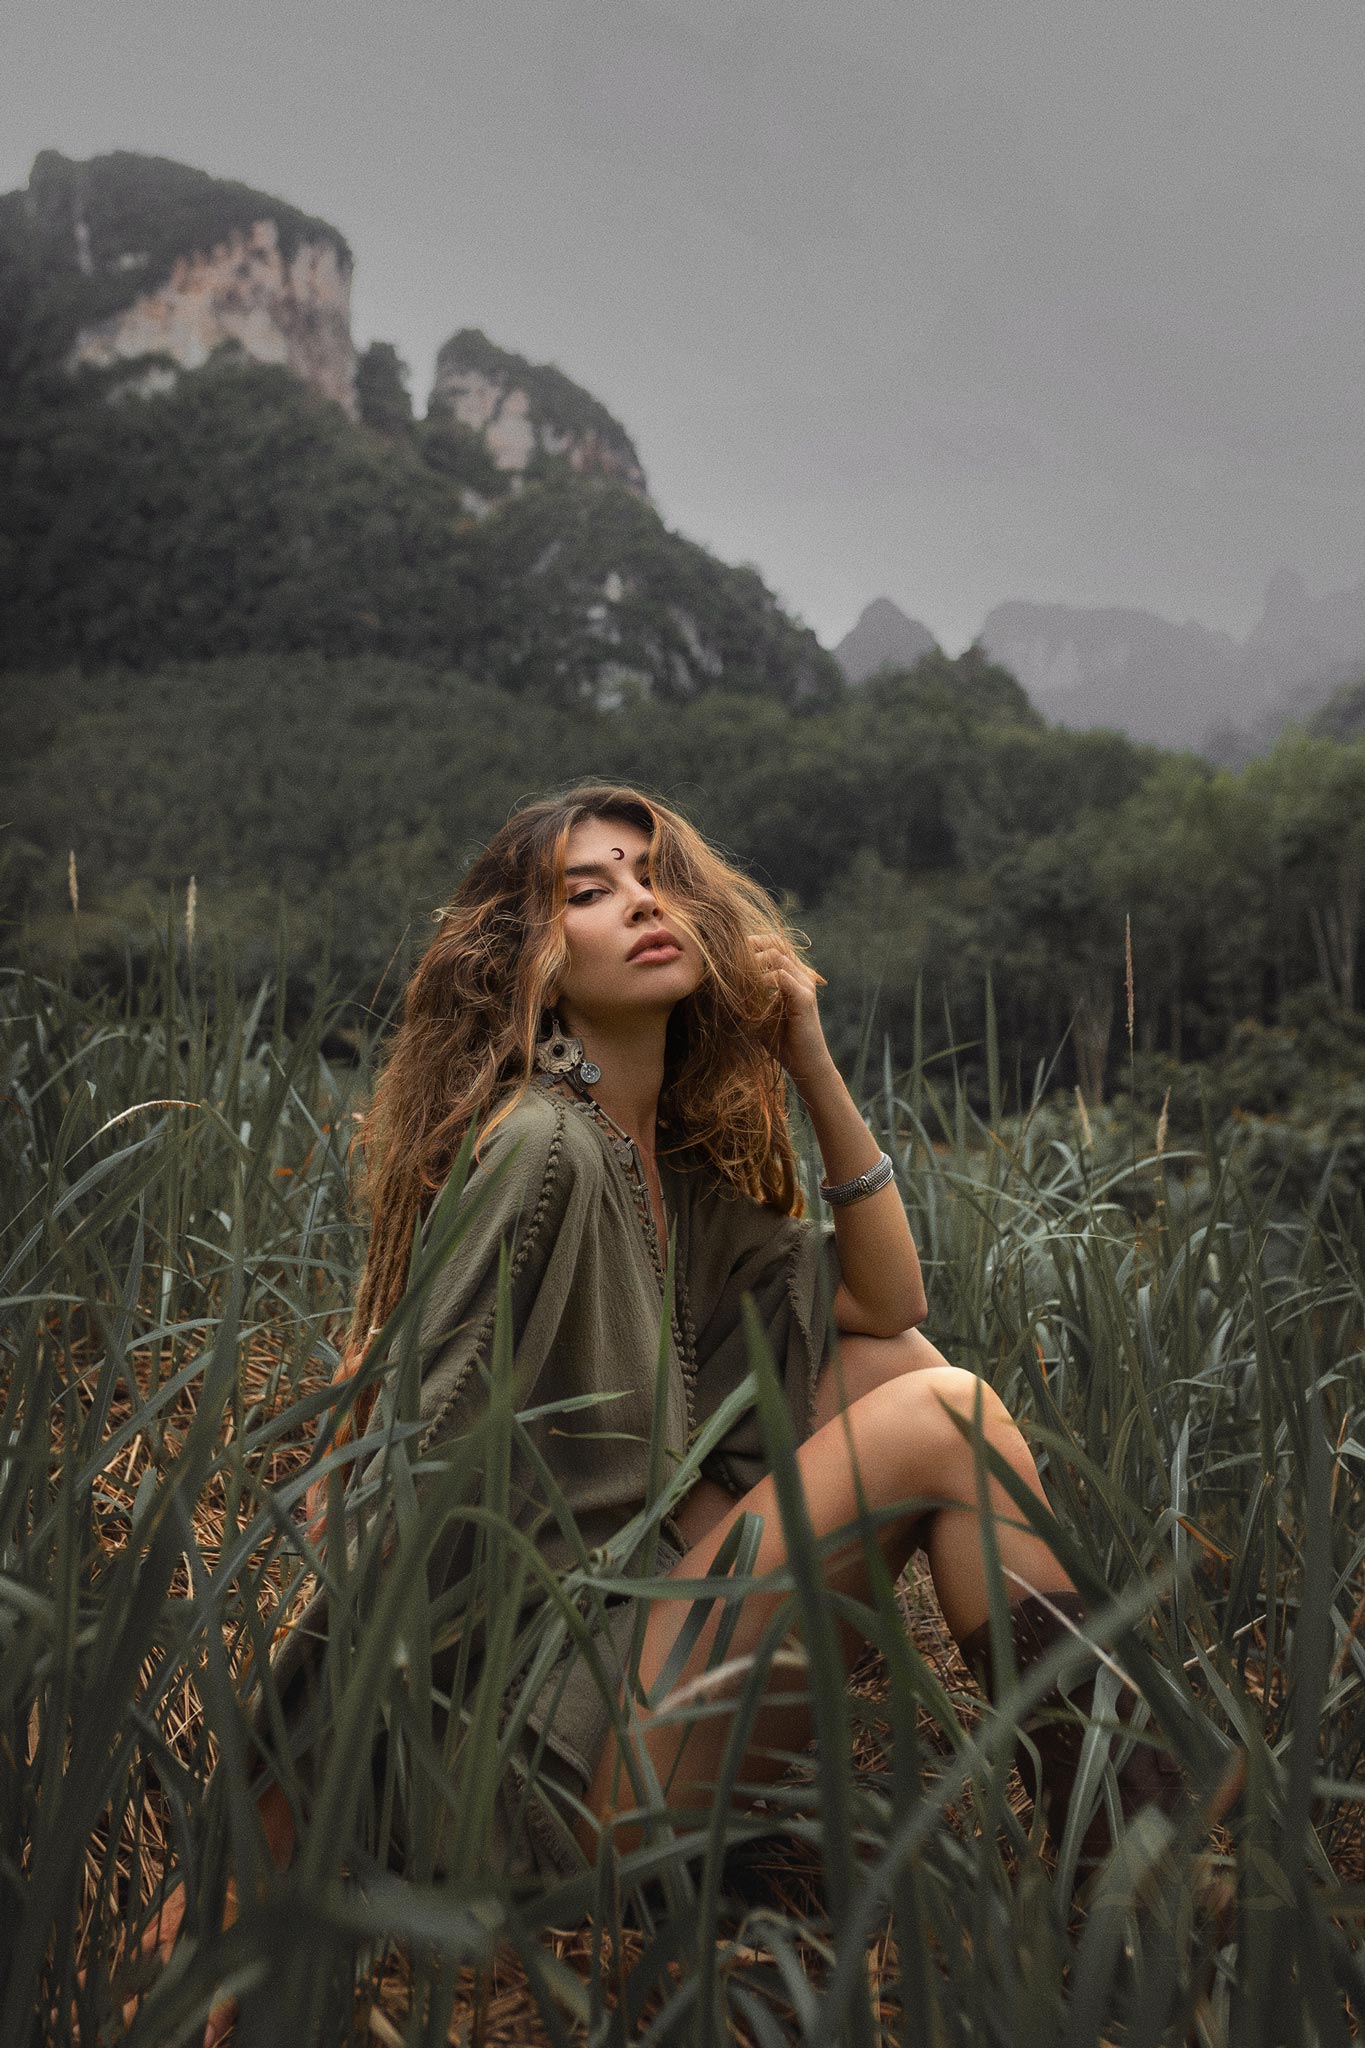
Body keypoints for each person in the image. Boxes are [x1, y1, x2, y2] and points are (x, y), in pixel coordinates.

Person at [142, 783, 1186, 2037]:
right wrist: (232, 1865)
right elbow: (398, 1491)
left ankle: (1131, 1846)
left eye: (651, 877)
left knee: (902, 1366)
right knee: (944, 1415)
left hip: (640, 1671)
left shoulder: (660, 1176)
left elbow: (885, 1294)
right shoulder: (540, 1148)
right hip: (546, 1762)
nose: (639, 900)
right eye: (588, 891)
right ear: (527, 961)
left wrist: (807, 1052)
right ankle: (1146, 1870)